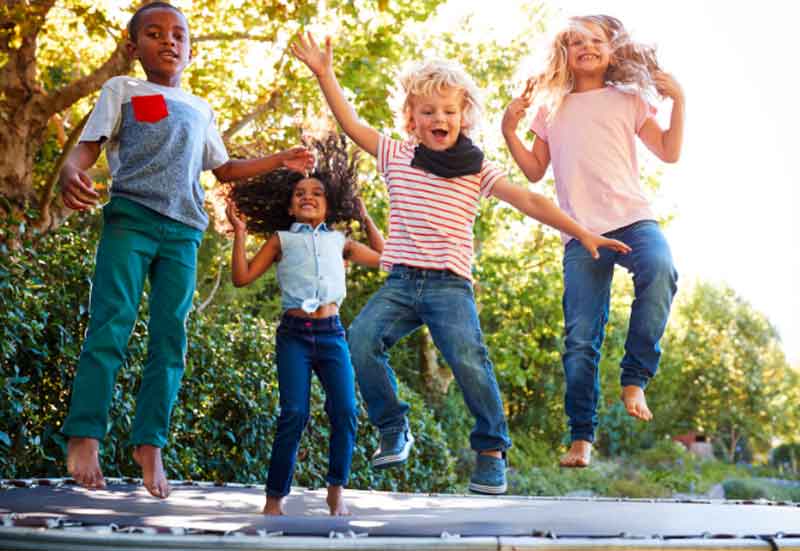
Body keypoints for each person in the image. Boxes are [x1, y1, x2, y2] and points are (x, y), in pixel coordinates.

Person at [291, 33, 631, 494]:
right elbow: (352, 125)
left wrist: (582, 231)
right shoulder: (396, 154)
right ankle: (394, 427)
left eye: (449, 111)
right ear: (411, 118)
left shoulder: (476, 168)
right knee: (361, 339)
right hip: (401, 281)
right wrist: (325, 73)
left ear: (464, 115)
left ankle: (491, 451)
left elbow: (528, 198)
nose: (439, 119)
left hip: (450, 285)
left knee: (470, 361)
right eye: (428, 112)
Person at [58, 1, 314, 498]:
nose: (168, 41)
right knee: (111, 323)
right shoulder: (122, 91)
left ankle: (149, 444)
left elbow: (223, 170)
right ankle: (85, 434)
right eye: (154, 34)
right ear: (134, 48)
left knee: (170, 338)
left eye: (178, 35)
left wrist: (279, 159)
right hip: (131, 219)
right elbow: (86, 149)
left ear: (190, 51)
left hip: (183, 233)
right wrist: (71, 171)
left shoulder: (201, 108)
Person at [501, 14, 684, 468]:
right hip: (580, 232)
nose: (586, 47)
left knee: (661, 269)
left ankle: (635, 377)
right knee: (581, 339)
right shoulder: (551, 108)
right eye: (576, 41)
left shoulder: (628, 99)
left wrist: (679, 99)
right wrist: (508, 130)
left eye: (596, 40)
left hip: (633, 218)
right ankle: (581, 438)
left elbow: (669, 151)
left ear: (611, 49)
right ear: (563, 53)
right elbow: (533, 170)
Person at [225, 134, 384, 516]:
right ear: (290, 206)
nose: (307, 196)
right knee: (294, 413)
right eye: (299, 193)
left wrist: (363, 215)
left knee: (345, 410)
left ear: (330, 204)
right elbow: (242, 278)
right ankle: (274, 499)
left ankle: (336, 490)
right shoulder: (280, 240)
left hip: (332, 336)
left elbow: (384, 258)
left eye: (316, 192)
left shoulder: (340, 242)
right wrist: (241, 235)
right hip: (294, 337)